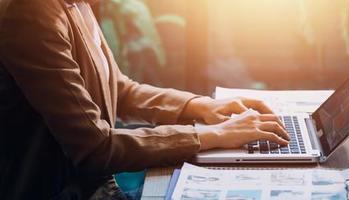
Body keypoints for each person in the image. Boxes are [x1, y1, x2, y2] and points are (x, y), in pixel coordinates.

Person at [0, 0, 290, 199]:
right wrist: (211, 134)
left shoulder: (74, 5)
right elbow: (96, 147)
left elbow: (119, 89)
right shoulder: (30, 15)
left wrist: (197, 106)